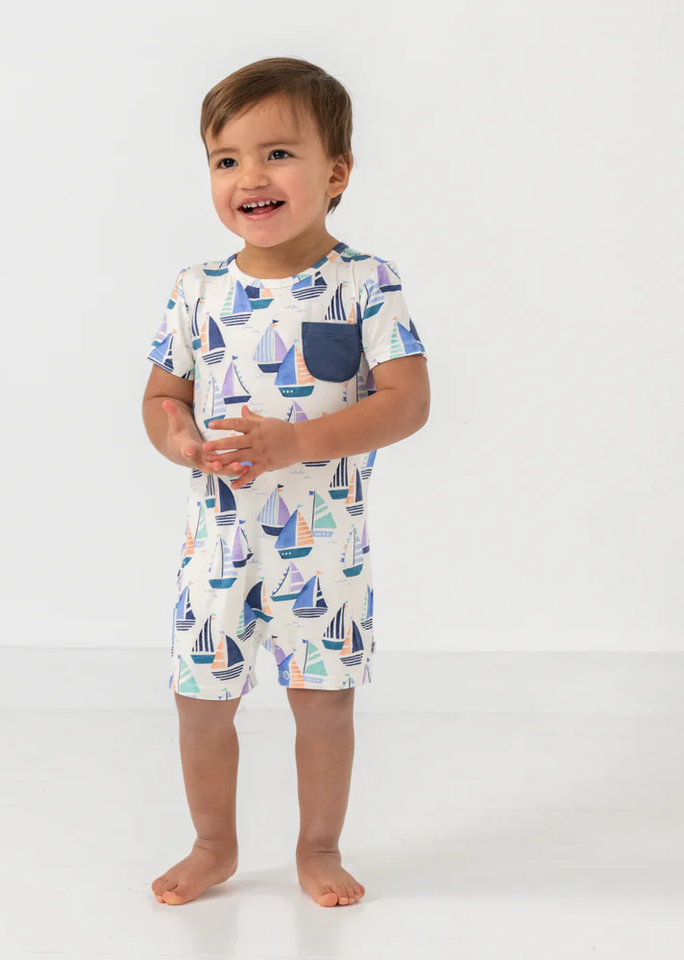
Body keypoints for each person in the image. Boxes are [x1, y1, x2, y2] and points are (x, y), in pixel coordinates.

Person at [142, 57, 430, 908]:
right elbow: (162, 398)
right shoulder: (197, 290)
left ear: (336, 172)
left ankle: (319, 846)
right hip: (219, 543)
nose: (250, 177)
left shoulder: (365, 282)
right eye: (226, 160)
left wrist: (297, 441)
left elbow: (407, 401)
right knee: (200, 701)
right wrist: (183, 443)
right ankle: (213, 843)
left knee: (323, 704)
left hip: (324, 547)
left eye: (277, 154)